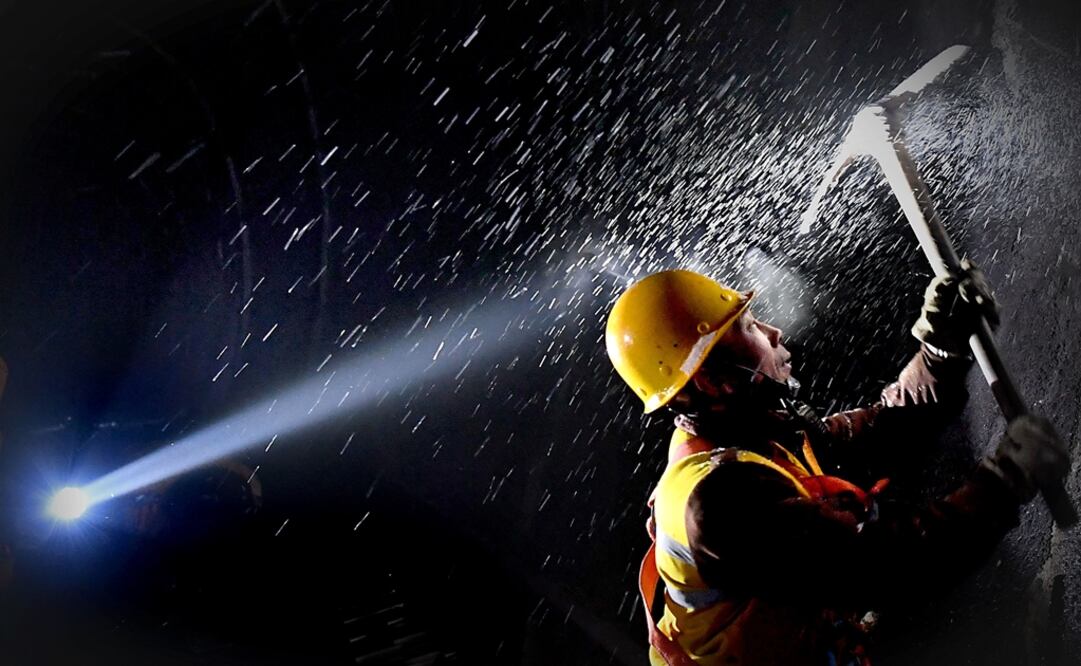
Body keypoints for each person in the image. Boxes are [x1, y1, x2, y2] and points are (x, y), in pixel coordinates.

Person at [604, 267, 1070, 666]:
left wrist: (939, 351)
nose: (773, 333)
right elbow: (890, 568)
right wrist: (1003, 483)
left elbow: (878, 433)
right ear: (713, 379)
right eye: (747, 327)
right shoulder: (718, 505)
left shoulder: (743, 436)